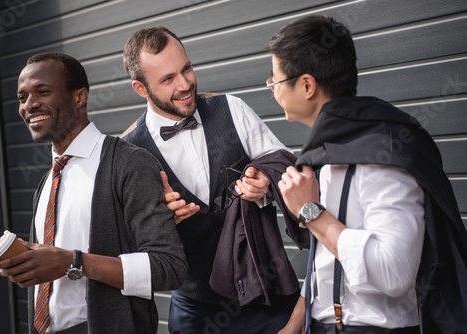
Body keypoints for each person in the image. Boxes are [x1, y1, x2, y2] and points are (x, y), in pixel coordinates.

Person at [268, 15, 467, 334]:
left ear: (306, 85)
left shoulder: (382, 155)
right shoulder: (326, 150)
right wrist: (294, 325)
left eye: (274, 81)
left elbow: (394, 272)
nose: (272, 90)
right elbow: (329, 260)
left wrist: (313, 213)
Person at [121, 26, 301, 333]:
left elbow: (288, 169)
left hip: (270, 298)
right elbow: (123, 247)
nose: (185, 84)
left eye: (187, 68)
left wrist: (267, 182)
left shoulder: (232, 108)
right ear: (141, 88)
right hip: (196, 315)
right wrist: (158, 223)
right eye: (167, 79)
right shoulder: (128, 151)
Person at [0, 52, 187, 334]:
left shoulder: (129, 163)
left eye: (43, 92)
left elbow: (168, 268)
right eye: (22, 98)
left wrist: (71, 261)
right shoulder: (46, 182)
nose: (29, 105)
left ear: (80, 97)